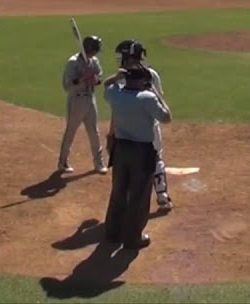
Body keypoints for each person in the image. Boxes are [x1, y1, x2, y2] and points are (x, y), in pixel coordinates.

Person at [103, 64, 171, 250]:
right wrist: (156, 93)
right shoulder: (147, 98)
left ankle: (113, 232)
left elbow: (106, 85)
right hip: (141, 151)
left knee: (119, 191)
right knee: (139, 195)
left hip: (121, 150)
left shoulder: (115, 94)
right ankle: (133, 238)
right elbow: (166, 117)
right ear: (141, 80)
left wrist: (116, 77)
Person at [105, 40, 172, 212]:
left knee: (129, 169)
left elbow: (116, 106)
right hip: (151, 127)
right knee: (157, 159)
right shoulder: (152, 74)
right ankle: (162, 195)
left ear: (129, 57)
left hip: (126, 133)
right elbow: (160, 104)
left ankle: (129, 204)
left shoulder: (121, 77)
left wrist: (111, 133)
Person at [57, 36, 107, 175]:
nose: (96, 54)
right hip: (76, 101)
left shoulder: (94, 61)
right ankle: (63, 162)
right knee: (71, 131)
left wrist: (94, 78)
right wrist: (82, 78)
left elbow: (99, 79)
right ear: (90, 49)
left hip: (90, 99)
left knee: (94, 132)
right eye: (95, 50)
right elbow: (67, 86)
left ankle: (99, 163)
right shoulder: (73, 63)